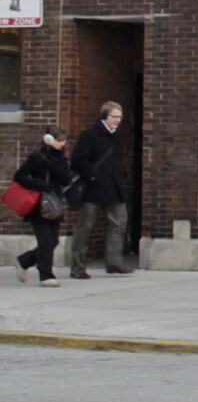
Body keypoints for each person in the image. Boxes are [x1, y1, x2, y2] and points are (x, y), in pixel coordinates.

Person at [69, 100, 136, 278]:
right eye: (115, 117)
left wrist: (122, 177)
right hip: (93, 188)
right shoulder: (89, 135)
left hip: (114, 187)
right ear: (104, 116)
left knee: (120, 221)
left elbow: (118, 162)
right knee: (85, 226)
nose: (118, 121)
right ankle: (78, 266)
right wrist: (91, 176)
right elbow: (77, 160)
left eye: (120, 117)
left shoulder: (117, 137)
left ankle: (114, 262)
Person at [13, 130, 75, 288]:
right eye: (58, 141)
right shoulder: (36, 158)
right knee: (46, 241)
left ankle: (24, 261)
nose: (61, 144)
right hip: (38, 204)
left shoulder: (61, 159)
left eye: (63, 141)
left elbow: (67, 179)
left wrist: (54, 164)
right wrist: (38, 184)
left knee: (53, 241)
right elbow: (20, 176)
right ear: (48, 140)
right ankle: (46, 275)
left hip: (54, 204)